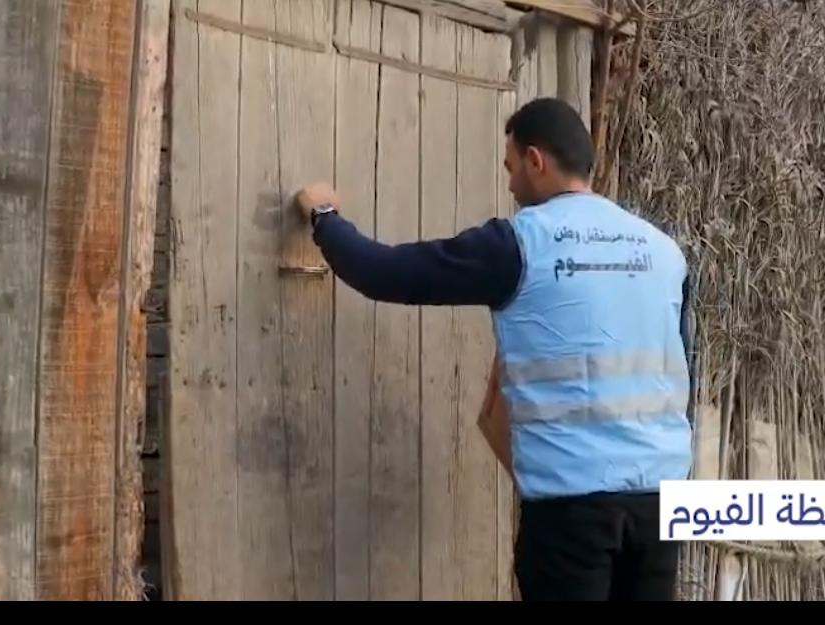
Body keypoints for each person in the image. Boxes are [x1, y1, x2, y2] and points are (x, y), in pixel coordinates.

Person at [295, 97, 692, 601]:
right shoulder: (663, 252)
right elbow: (681, 371)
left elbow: (383, 272)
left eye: (510, 167)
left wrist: (324, 215)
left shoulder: (521, 244)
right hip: (660, 506)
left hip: (572, 514)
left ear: (535, 160)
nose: (509, 185)